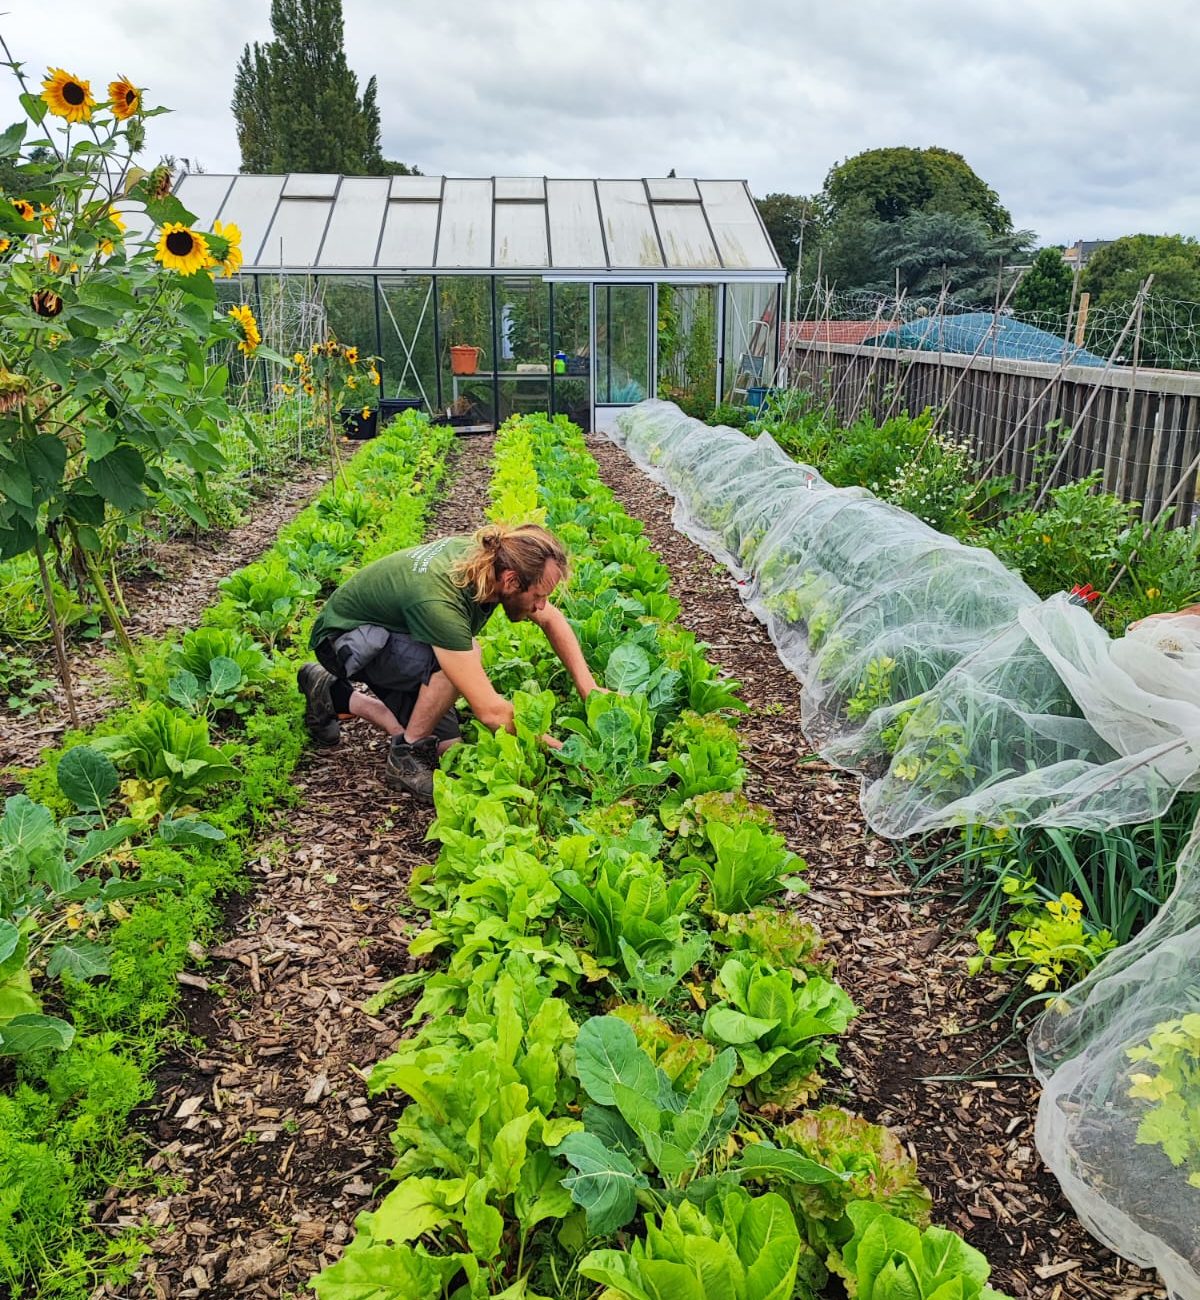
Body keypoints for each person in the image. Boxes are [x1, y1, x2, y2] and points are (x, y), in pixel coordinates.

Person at [296, 522, 601, 800]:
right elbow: (491, 711)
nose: (541, 605)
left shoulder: (491, 559)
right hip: (345, 640)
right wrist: (565, 752)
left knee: (447, 747)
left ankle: (333, 693)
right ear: (510, 581)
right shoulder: (442, 603)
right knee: (461, 657)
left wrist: (590, 689)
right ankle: (405, 756)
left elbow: (551, 620)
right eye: (539, 595)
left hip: (391, 631)